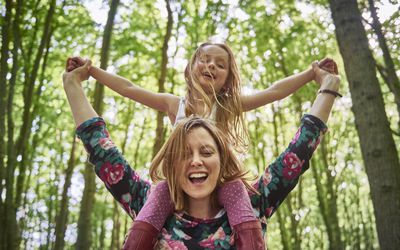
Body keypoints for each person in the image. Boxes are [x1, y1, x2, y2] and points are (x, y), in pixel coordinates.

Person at [66, 42, 337, 249]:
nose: (211, 66)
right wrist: (91, 72)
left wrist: (312, 74)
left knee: (237, 194)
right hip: (173, 186)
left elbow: (274, 92)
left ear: (229, 77)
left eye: (220, 64)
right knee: (160, 192)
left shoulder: (229, 106)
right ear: (191, 67)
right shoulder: (175, 105)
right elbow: (128, 88)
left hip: (226, 182)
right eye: (204, 60)